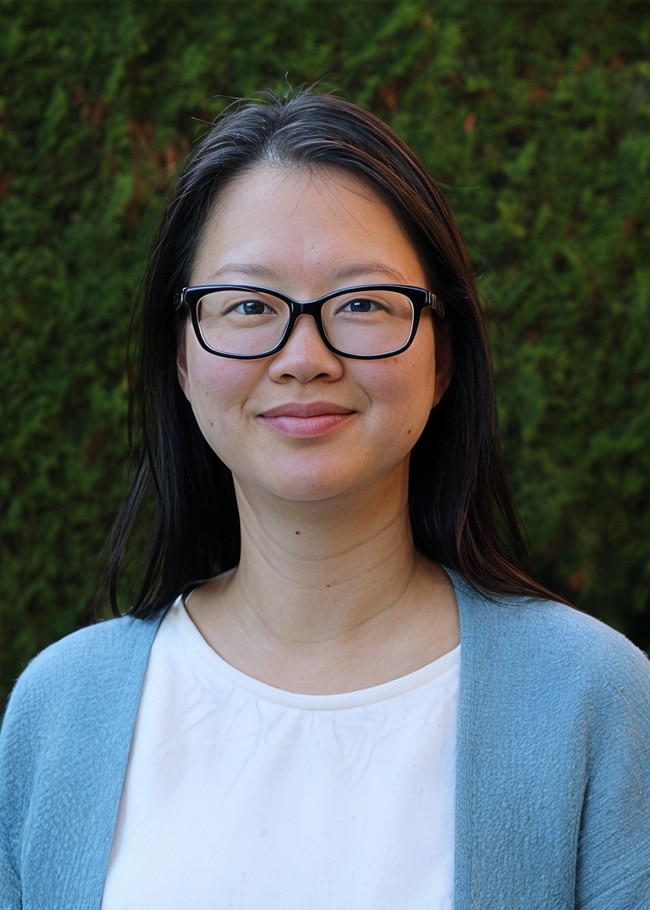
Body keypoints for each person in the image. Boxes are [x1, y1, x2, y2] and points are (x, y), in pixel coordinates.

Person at [1, 89, 649, 910]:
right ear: (180, 359)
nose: (304, 356)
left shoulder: (593, 700)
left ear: (442, 357)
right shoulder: (59, 712)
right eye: (247, 306)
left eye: (363, 304)